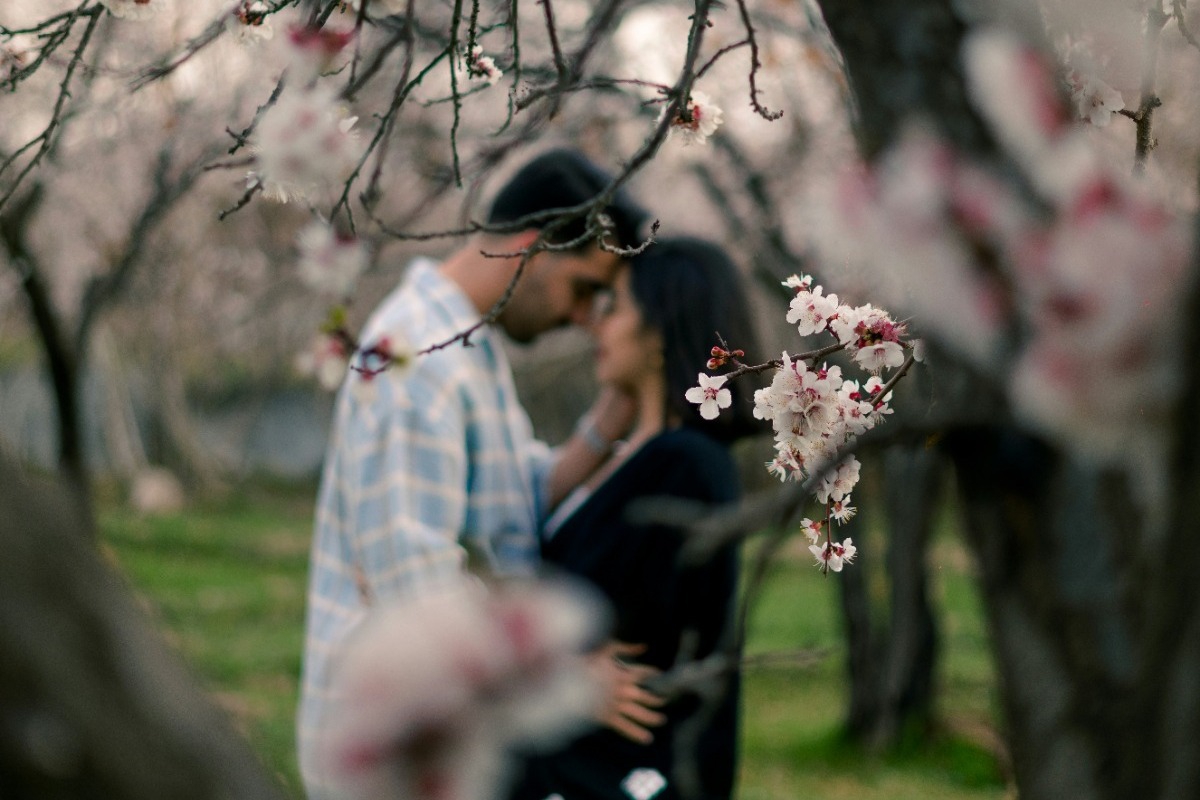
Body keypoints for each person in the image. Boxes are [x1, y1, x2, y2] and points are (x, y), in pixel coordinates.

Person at [297, 148, 655, 798]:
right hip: (400, 748)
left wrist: (613, 416)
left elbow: (517, 495)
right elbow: (416, 584)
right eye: (584, 290)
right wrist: (562, 678)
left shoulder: (464, 343)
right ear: (529, 246)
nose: (583, 319)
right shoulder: (415, 359)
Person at [507, 237, 762, 800]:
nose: (597, 327)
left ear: (660, 330)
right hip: (576, 756)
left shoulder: (687, 465)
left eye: (615, 307)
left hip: (619, 771)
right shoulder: (639, 458)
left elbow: (639, 628)